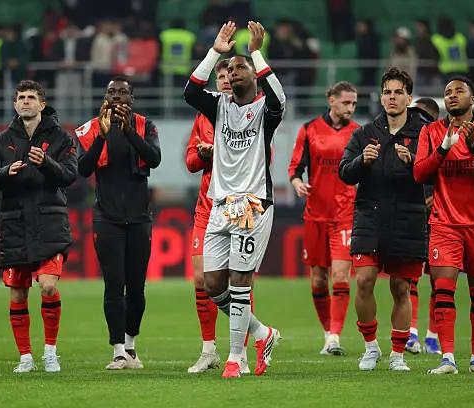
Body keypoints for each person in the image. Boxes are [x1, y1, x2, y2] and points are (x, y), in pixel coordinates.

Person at [184, 21, 284, 378]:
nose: (232, 73)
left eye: (240, 68)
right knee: (212, 284)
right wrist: (215, 52)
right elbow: (191, 92)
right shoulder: (219, 106)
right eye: (229, 70)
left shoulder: (265, 111)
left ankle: (234, 358)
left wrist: (256, 53)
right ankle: (262, 332)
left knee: (240, 281)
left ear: (254, 75)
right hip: (220, 205)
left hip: (253, 204)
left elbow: (280, 98)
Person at [0, 80, 77, 373]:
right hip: (15, 224)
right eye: (21, 97)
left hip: (50, 223)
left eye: (31, 97)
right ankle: (25, 357)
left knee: (48, 285)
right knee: (18, 293)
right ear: (15, 104)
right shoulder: (0, 141)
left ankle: (50, 352)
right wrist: (4, 172)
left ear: (42, 104)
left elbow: (70, 175)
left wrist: (46, 162)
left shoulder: (61, 138)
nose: (25, 101)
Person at [339, 67, 430, 371]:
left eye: (398, 92)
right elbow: (344, 173)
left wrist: (414, 163)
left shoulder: (424, 133)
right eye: (387, 92)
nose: (392, 97)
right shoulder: (364, 133)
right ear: (381, 97)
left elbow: (435, 173)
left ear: (409, 97)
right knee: (364, 281)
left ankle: (398, 355)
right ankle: (370, 347)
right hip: (370, 215)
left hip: (407, 217)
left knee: (401, 288)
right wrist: (361, 162)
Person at [414, 76, 474, 374]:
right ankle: (448, 358)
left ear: (472, 99)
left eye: (459, 91)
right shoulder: (431, 131)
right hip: (444, 223)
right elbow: (419, 173)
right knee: (443, 289)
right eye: (447, 92)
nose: (452, 95)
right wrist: (442, 149)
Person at [76, 76, 161, 370]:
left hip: (139, 218)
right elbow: (82, 169)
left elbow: (154, 159)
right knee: (114, 285)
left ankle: (131, 345)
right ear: (105, 97)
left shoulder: (145, 126)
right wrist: (101, 137)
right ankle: (118, 350)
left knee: (136, 287)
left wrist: (129, 132)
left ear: (131, 99)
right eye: (111, 92)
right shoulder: (91, 128)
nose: (116, 96)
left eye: (122, 92)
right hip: (107, 219)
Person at [185, 58, 253, 374]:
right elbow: (190, 163)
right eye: (221, 75)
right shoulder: (204, 115)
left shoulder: (253, 112)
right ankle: (209, 349)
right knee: (202, 280)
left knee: (240, 282)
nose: (226, 79)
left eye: (231, 73)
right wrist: (203, 154)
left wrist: (221, 152)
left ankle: (242, 351)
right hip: (207, 207)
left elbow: (262, 159)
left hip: (239, 206)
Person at [288, 81, 360, 355]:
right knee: (319, 279)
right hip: (316, 215)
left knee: (340, 275)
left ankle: (335, 337)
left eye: (354, 104)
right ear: (331, 100)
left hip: (346, 215)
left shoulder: (359, 133)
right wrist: (297, 183)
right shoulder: (309, 129)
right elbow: (296, 167)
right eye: (346, 102)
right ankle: (328, 332)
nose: (350, 108)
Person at [405, 97, 442, 355]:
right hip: (412, 215)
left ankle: (432, 337)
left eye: (421, 115)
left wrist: (437, 197)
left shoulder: (443, 141)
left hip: (441, 218)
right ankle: (411, 333)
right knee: (411, 277)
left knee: (440, 280)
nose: (416, 119)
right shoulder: (405, 139)